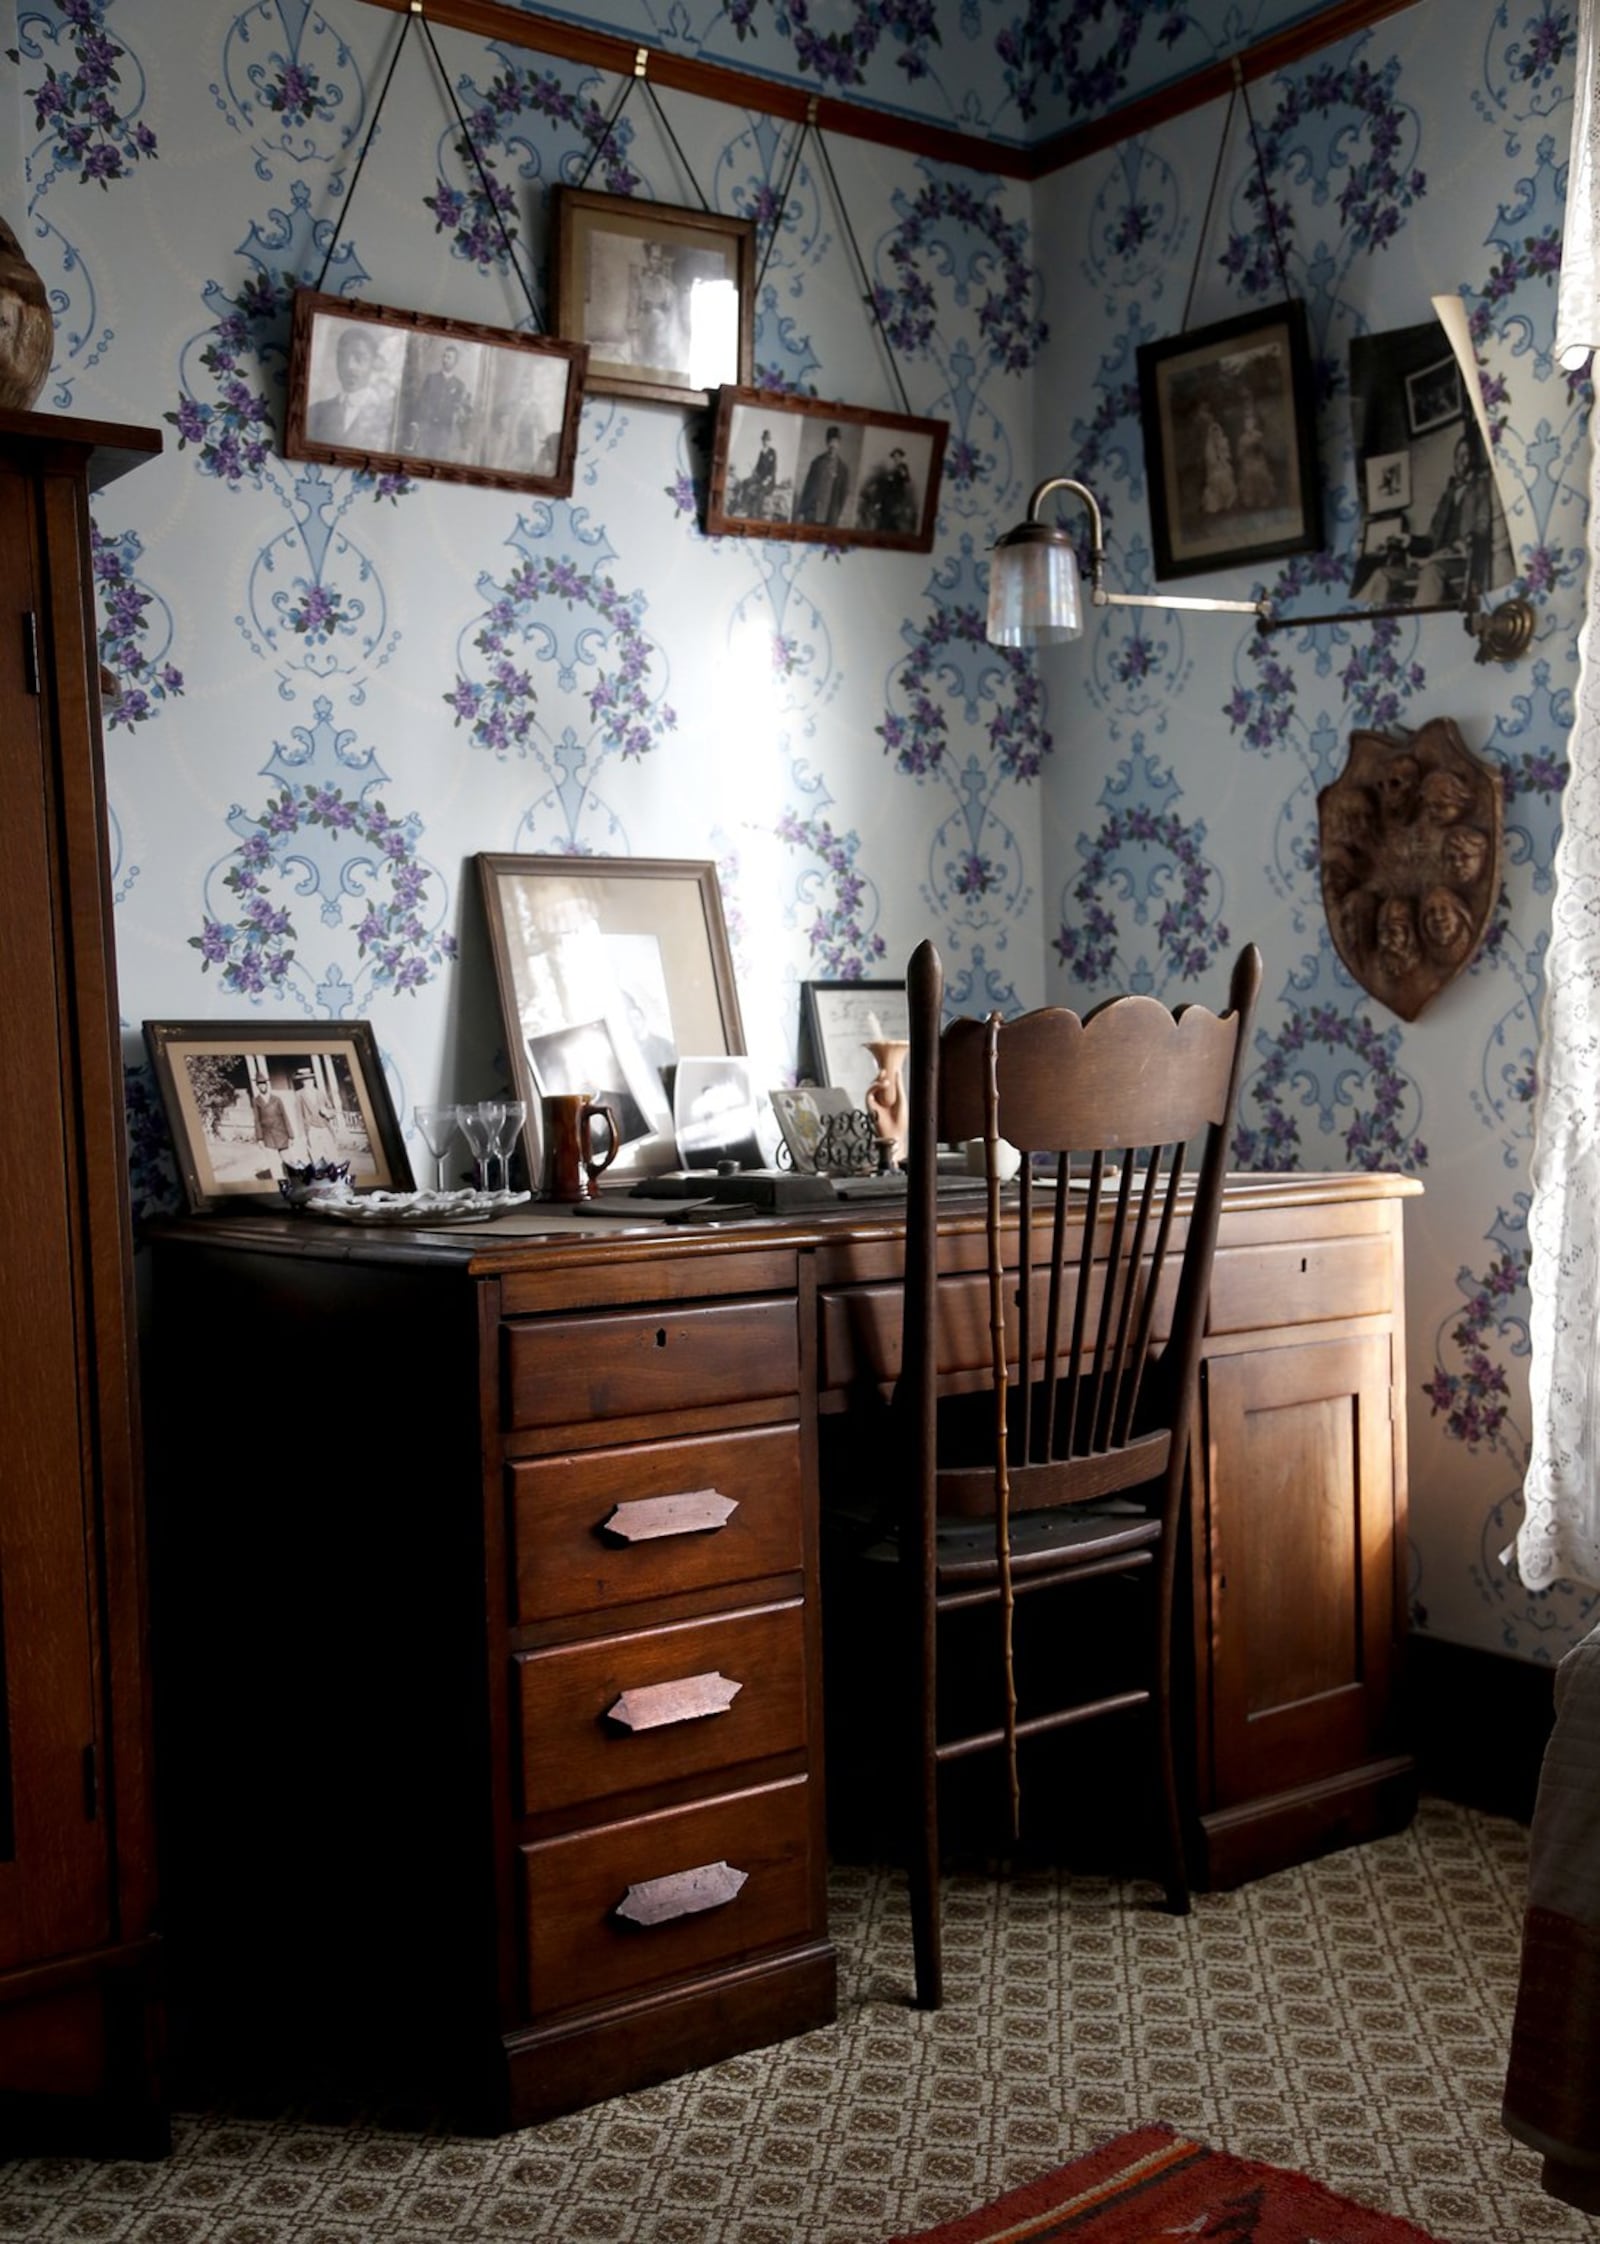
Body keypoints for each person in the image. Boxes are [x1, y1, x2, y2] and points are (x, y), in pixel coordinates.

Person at [1414, 432, 1495, 604]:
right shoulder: (1448, 495)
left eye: (1466, 455)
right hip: (1435, 557)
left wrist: (1459, 545)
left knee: (1430, 570)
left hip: (1459, 561)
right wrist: (1409, 541)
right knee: (1383, 574)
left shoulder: (1481, 487)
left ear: (1474, 459)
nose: (1460, 461)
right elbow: (1430, 537)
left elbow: (1482, 526)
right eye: (1457, 456)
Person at [306, 324, 396, 451]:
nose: (349, 366)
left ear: (374, 362)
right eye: (343, 357)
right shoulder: (315, 412)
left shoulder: (388, 417)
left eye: (359, 358)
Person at [407, 343, 470, 461]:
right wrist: (415, 421)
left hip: (444, 431)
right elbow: (421, 400)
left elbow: (459, 409)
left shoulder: (459, 385)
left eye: (449, 357)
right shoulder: (431, 379)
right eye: (444, 356)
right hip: (427, 426)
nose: (445, 360)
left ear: (455, 362)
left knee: (439, 458)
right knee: (421, 458)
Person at [630, 242, 681, 372]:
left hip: (661, 329)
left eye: (658, 259)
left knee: (659, 362)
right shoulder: (640, 282)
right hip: (644, 325)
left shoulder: (667, 285)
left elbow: (672, 312)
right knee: (641, 362)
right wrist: (634, 334)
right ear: (647, 259)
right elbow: (633, 307)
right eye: (653, 258)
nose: (655, 262)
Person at [795, 424, 850, 526]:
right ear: (826, 442)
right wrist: (802, 510)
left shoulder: (843, 469)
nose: (832, 445)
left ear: (839, 444)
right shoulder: (816, 463)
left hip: (830, 516)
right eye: (830, 441)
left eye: (835, 442)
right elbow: (807, 487)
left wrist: (839, 514)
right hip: (813, 513)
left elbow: (843, 494)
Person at [857, 447, 919, 535]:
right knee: (883, 484)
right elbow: (890, 479)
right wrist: (889, 478)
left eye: (898, 456)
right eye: (894, 457)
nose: (896, 458)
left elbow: (907, 479)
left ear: (901, 457)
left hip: (897, 494)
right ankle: (878, 505)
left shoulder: (903, 466)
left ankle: (880, 509)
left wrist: (901, 473)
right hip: (890, 493)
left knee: (888, 506)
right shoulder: (893, 468)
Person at [294, 1068, 339, 1162]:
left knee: (332, 1154)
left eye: (310, 1079)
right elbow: (298, 1115)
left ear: (313, 1080)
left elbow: (332, 1110)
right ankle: (321, 1175)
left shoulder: (320, 1093)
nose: (308, 1082)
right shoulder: (299, 1094)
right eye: (306, 1079)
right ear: (302, 1081)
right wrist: (301, 1134)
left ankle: (335, 1174)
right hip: (311, 1129)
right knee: (316, 1156)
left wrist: (327, 1112)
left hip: (324, 1127)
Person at [1199, 405, 1236, 514]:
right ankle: (1216, 503)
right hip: (1214, 466)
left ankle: (1226, 502)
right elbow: (1211, 458)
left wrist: (1223, 458)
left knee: (1226, 473)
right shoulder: (1209, 443)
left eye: (1210, 416)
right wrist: (1216, 458)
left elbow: (1224, 450)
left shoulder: (1217, 429)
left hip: (1222, 462)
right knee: (1217, 477)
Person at [1235, 406, 1274, 509]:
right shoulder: (1242, 438)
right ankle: (1249, 500)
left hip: (1259, 460)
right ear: (1244, 425)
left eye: (1251, 423)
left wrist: (1259, 448)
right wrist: (1245, 454)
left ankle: (1263, 499)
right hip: (1248, 462)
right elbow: (1240, 454)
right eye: (1247, 423)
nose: (1249, 425)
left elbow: (1265, 449)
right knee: (1248, 477)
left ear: (1254, 424)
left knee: (1261, 474)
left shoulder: (1259, 435)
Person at [253, 1078, 293, 1156]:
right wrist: (259, 1138)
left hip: (281, 1134)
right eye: (259, 1084)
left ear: (267, 1085)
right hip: (268, 1136)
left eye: (263, 1084)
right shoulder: (256, 1101)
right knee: (274, 1161)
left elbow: (285, 1117)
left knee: (287, 1159)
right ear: (257, 1086)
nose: (262, 1086)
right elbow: (257, 1120)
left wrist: (291, 1135)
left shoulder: (276, 1099)